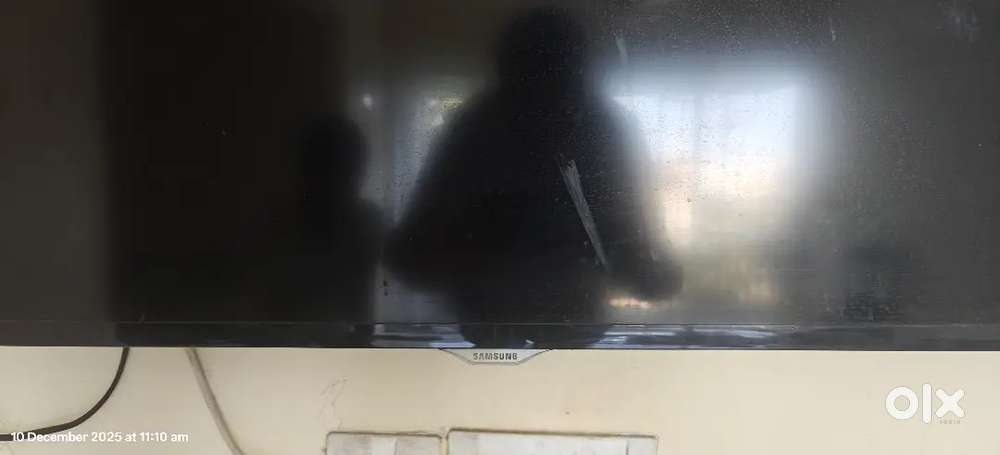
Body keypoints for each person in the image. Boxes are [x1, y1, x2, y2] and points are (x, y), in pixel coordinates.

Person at [387, 7, 681, 347]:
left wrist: (651, 276)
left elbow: (630, 252)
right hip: (504, 331)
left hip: (547, 328)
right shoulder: (478, 128)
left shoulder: (597, 127)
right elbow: (412, 259)